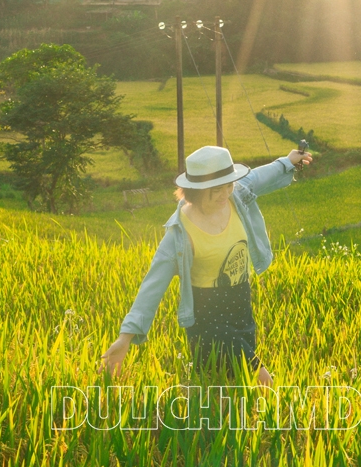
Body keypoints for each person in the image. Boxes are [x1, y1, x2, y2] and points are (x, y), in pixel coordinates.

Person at [101, 144, 313, 386]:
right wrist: (125, 337)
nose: (225, 195)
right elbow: (152, 286)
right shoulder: (179, 236)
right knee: (264, 382)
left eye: (228, 186)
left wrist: (289, 161)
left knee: (232, 391)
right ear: (195, 191)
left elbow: (258, 177)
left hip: (241, 308)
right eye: (216, 190)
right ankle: (281, 419)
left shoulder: (236, 197)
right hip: (207, 324)